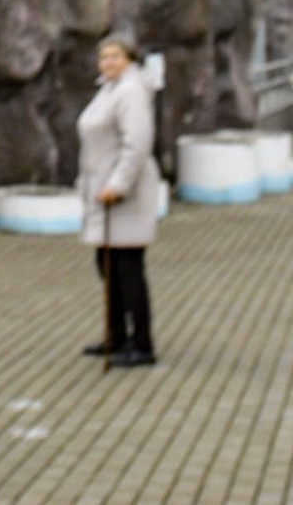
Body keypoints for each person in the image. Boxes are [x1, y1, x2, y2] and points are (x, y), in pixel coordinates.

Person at [76, 35, 162, 368]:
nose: (108, 62)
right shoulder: (109, 88)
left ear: (130, 59)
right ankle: (116, 335)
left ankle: (142, 344)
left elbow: (136, 144)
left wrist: (118, 185)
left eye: (115, 56)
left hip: (123, 195)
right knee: (108, 267)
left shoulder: (131, 91)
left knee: (128, 269)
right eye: (103, 57)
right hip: (102, 192)